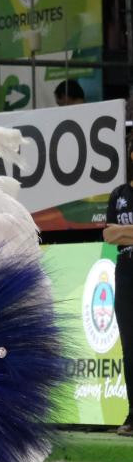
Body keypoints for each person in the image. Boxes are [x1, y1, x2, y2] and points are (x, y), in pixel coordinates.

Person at [103, 135, 133, 437]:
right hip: (125, 271)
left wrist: (124, 232)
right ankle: (132, 415)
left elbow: (117, 233)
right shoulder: (119, 193)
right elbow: (109, 236)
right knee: (130, 346)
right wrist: (123, 233)